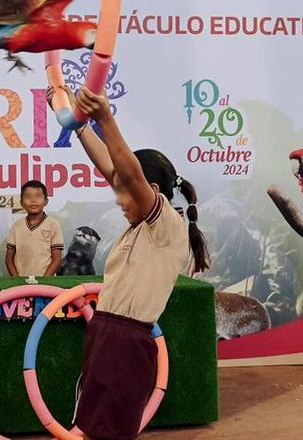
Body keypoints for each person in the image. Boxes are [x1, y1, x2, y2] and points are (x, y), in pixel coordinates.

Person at [48, 86, 209, 440]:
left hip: (125, 342)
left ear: (148, 188)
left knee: (105, 433)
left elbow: (128, 173)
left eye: (124, 191)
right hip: (106, 335)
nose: (118, 198)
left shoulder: (166, 224)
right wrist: (76, 124)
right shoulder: (140, 228)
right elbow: (112, 168)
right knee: (89, 428)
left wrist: (105, 117)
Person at [5, 180, 64, 277]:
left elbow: (57, 258)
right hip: (21, 282)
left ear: (46, 201)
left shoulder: (53, 224)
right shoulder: (17, 226)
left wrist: (45, 280)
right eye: (28, 197)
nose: (33, 200)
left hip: (47, 282)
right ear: (21, 203)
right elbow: (9, 259)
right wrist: (16, 280)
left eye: (38, 196)